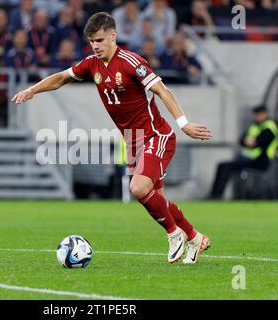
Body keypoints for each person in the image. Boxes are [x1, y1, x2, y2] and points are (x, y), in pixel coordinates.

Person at [12, 12, 213, 264]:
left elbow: (161, 90)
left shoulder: (131, 62)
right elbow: (62, 77)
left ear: (113, 36)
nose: (95, 46)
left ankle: (174, 234)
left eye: (99, 40)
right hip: (132, 140)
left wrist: (183, 123)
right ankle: (195, 238)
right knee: (156, 198)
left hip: (155, 135)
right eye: (91, 42)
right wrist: (32, 90)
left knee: (138, 188)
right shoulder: (91, 64)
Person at [209, 105, 278, 199]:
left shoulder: (270, 127)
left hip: (261, 161)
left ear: (264, 114)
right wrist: (249, 142)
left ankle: (216, 195)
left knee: (225, 167)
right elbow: (242, 140)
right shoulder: (254, 125)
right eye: (255, 115)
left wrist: (251, 142)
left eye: (258, 114)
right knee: (222, 166)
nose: (256, 117)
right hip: (249, 159)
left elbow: (259, 143)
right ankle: (215, 195)